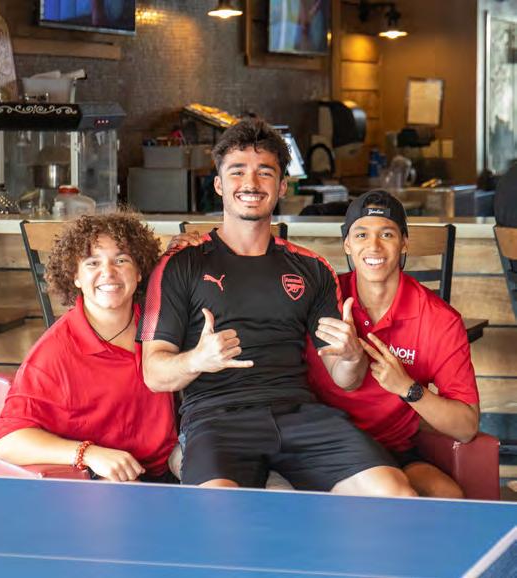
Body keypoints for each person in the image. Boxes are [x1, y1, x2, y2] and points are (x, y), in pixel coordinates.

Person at [139, 118, 415, 496]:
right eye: (237, 171)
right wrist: (197, 360)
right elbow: (154, 374)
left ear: (282, 186)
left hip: (300, 416)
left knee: (395, 494)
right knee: (217, 513)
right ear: (218, 184)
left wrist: (352, 357)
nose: (251, 183)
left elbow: (345, 378)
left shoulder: (312, 268)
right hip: (218, 421)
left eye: (265, 172)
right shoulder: (180, 264)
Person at [306, 190, 480, 498]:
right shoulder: (322, 301)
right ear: (347, 244)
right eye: (361, 234)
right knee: (393, 496)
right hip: (327, 446)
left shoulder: (440, 319)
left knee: (448, 496)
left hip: (394, 451)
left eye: (386, 234)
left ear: (404, 243)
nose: (374, 245)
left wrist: (408, 388)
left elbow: (466, 427)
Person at [0, 213, 177, 483]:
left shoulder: (159, 324)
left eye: (121, 260)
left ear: (140, 272)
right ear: (76, 276)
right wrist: (89, 454)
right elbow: (8, 441)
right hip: (107, 478)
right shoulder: (55, 351)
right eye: (93, 262)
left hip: (168, 468)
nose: (109, 272)